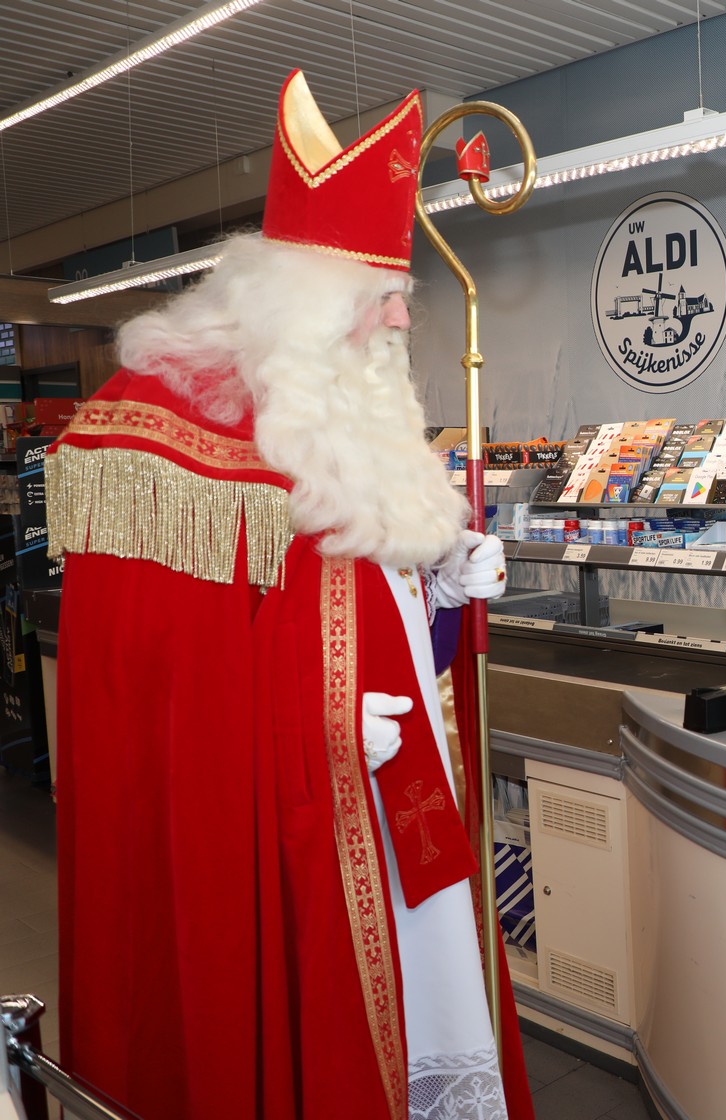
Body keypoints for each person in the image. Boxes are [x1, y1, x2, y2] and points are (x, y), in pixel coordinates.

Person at [46, 70, 534, 1120]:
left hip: (399, 806)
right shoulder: (168, 421)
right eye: (377, 295)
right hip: (292, 827)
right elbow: (173, 686)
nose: (402, 315)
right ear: (306, 307)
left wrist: (444, 587)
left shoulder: (348, 412)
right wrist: (311, 726)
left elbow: (372, 614)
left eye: (400, 291)